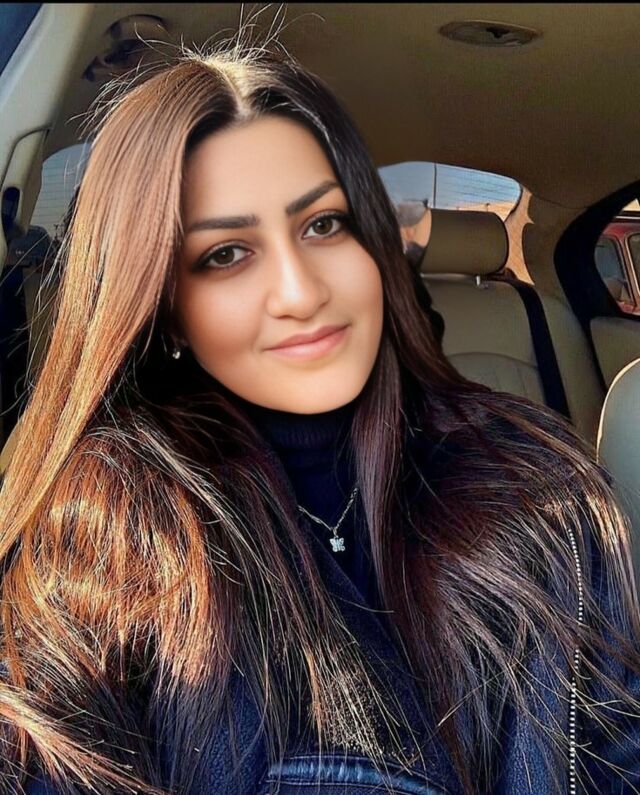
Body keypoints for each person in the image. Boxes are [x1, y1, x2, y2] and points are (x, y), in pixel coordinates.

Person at [0, 39, 638, 795]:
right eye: (226, 254)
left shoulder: (541, 488)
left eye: (324, 225)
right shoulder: (102, 538)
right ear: (167, 311)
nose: (302, 292)